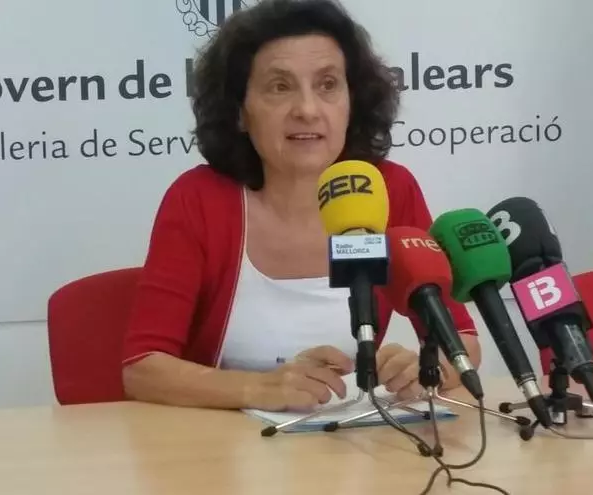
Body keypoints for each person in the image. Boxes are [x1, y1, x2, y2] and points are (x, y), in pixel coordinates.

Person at [121, 0, 481, 412]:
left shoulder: (388, 189)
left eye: (328, 85)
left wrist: (426, 368)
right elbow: (143, 367)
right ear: (239, 112)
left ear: (352, 100)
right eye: (280, 87)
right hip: (224, 444)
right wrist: (257, 389)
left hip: (355, 439)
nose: (308, 110)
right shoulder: (199, 198)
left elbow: (462, 338)